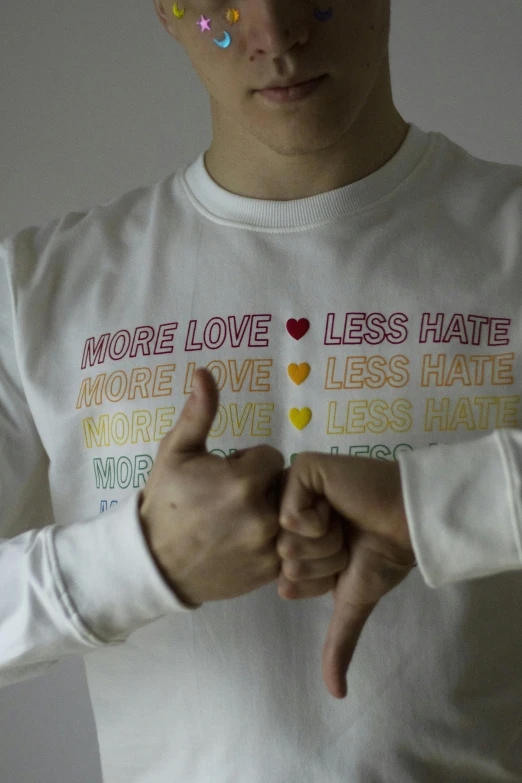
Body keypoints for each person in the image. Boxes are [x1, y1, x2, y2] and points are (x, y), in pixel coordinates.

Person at [1, 0, 521, 780]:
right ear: (166, 12)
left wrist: (437, 504)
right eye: (218, 2)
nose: (274, 34)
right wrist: (142, 559)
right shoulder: (37, 291)